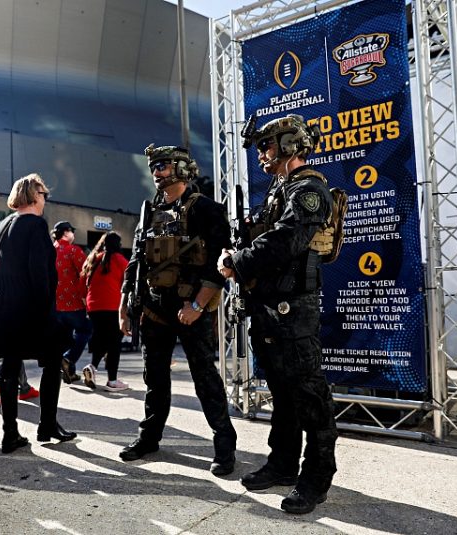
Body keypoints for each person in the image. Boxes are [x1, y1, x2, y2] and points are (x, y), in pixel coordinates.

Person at [217, 114, 338, 514]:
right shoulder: (278, 190)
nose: (263, 154)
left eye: (268, 145)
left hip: (294, 310)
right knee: (283, 395)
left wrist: (239, 259)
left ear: (289, 145)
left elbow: (286, 240)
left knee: (309, 396)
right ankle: (283, 464)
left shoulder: (309, 189)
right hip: (268, 307)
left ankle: (317, 477)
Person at [118, 144, 237, 476]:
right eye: (154, 166)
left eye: (165, 165)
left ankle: (224, 445)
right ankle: (149, 438)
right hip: (156, 311)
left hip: (191, 310)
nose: (157, 171)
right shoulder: (148, 212)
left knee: (205, 379)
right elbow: (136, 260)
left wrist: (198, 305)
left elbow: (220, 263)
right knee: (154, 379)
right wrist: (126, 302)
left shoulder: (207, 209)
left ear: (183, 168)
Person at [0, 173, 76, 453]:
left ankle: (10, 433)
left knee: (10, 369)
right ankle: (47, 425)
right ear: (35, 196)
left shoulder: (3, 224)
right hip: (32, 307)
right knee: (52, 362)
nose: (46, 198)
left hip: (4, 307)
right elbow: (40, 273)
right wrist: (47, 312)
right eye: (44, 194)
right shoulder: (36, 224)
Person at [0, 256, 39, 406]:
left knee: (16, 351)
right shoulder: (9, 263)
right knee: (16, 353)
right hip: (7, 313)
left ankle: (24, 388)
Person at [79, 231, 130, 391]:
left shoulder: (93, 259)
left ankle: (92, 367)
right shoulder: (121, 261)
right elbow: (128, 284)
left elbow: (82, 281)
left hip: (93, 306)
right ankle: (112, 381)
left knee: (102, 339)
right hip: (113, 306)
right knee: (114, 343)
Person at [53, 220, 92, 383]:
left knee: (66, 338)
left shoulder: (49, 251)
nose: (73, 235)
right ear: (66, 232)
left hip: (56, 305)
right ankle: (69, 359)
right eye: (72, 232)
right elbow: (85, 274)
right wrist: (85, 298)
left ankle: (68, 373)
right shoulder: (73, 250)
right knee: (85, 331)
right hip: (74, 303)